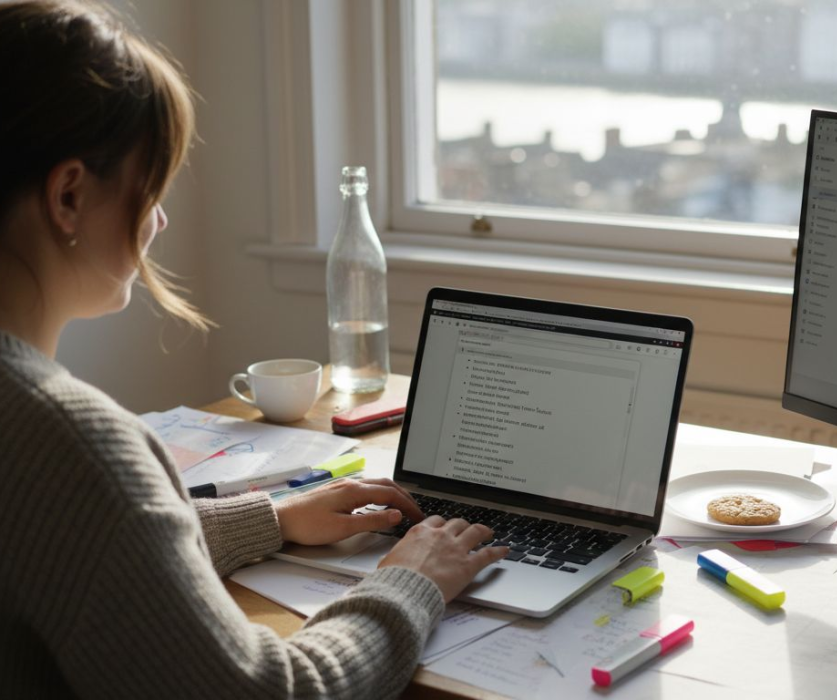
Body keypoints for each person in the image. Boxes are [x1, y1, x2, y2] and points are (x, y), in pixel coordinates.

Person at [0, 1, 509, 697]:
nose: (161, 220)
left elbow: (73, 543)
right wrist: (411, 583)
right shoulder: (68, 440)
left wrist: (272, 519)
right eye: (152, 188)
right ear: (67, 196)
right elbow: (275, 692)